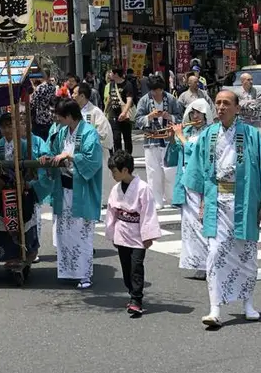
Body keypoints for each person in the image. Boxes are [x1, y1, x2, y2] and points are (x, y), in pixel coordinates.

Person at [183, 90, 261, 329]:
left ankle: (248, 303)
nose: (221, 107)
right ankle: (215, 308)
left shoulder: (251, 135)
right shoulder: (208, 135)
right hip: (216, 201)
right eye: (218, 103)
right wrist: (201, 202)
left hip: (245, 201)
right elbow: (198, 171)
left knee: (246, 254)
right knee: (215, 252)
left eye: (226, 103)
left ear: (237, 108)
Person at [36, 99, 103, 289]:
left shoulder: (89, 132)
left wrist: (70, 156)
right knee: (65, 232)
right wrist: (48, 157)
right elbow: (54, 152)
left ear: (69, 116)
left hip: (80, 190)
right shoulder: (62, 132)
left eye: (59, 116)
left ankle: (84, 275)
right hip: (63, 188)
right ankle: (68, 271)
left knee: (82, 232)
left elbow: (93, 159)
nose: (57, 119)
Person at [105, 150, 161, 317]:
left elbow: (148, 212)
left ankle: (137, 299)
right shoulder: (116, 189)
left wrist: (148, 235)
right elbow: (112, 212)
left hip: (137, 234)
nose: (113, 175)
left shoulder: (143, 188)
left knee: (136, 266)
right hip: (122, 232)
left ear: (125, 170)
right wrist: (112, 232)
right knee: (126, 268)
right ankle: (132, 292)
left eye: (115, 171)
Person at [166, 99, 212, 278]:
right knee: (189, 225)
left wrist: (181, 137)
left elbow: (197, 151)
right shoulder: (187, 131)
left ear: (205, 114)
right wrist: (172, 136)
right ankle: (196, 262)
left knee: (201, 223)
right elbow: (175, 153)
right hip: (184, 180)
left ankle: (208, 264)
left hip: (199, 181)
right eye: (192, 112)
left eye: (198, 113)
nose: (195, 116)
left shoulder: (209, 133)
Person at [135, 74, 183, 209]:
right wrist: (149, 117)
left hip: (169, 139)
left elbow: (180, 117)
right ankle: (156, 200)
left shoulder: (171, 99)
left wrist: (169, 116)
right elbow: (137, 120)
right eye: (154, 91)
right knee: (153, 172)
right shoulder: (144, 100)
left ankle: (172, 198)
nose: (157, 93)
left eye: (159, 90)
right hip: (151, 140)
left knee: (170, 171)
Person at [73, 82, 112, 175]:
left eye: (74, 93)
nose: (72, 95)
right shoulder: (73, 111)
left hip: (94, 153)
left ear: (82, 96)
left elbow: (104, 133)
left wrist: (88, 141)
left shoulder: (95, 112)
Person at [105, 67, 134, 153]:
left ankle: (128, 156)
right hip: (113, 115)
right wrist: (105, 112)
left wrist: (124, 112)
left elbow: (129, 100)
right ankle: (118, 157)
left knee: (127, 138)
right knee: (116, 138)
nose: (109, 74)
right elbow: (109, 99)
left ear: (116, 74)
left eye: (111, 73)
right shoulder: (111, 84)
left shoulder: (127, 84)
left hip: (125, 116)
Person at [30, 70, 57, 140]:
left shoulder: (40, 87)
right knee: (48, 138)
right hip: (49, 116)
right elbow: (53, 101)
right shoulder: (53, 87)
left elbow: (33, 102)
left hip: (40, 116)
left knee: (39, 138)